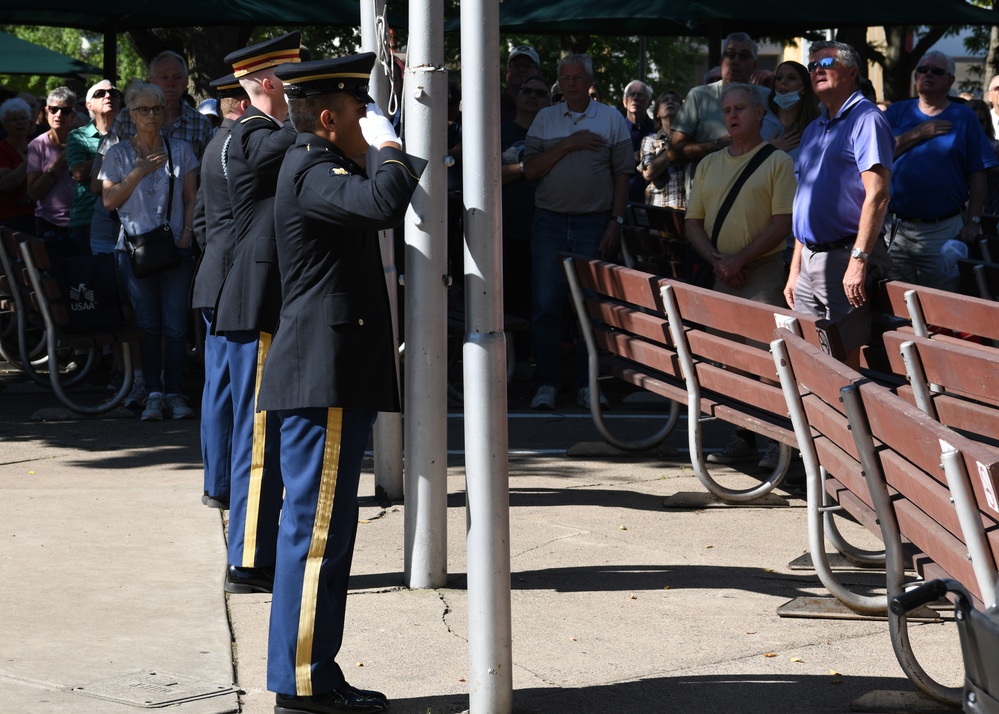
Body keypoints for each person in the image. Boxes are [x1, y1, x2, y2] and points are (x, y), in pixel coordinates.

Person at [258, 53, 426, 714]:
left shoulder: (322, 163)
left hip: (331, 373)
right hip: (321, 376)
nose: (369, 123)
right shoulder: (312, 168)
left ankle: (313, 674)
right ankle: (301, 685)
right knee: (316, 536)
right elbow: (384, 202)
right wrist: (389, 147)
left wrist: (384, 146)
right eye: (360, 111)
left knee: (326, 535)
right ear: (329, 118)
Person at [214, 31, 301, 596]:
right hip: (259, 296)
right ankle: (247, 558)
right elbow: (279, 148)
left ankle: (251, 552)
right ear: (271, 83)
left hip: (259, 295)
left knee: (259, 430)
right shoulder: (254, 134)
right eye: (297, 83)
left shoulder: (261, 132)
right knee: (260, 435)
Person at [685, 84, 796, 468]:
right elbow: (692, 222)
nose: (732, 116)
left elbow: (783, 222)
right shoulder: (709, 163)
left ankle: (778, 440)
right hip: (723, 273)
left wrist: (739, 259)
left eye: (741, 109)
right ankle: (744, 434)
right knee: (731, 359)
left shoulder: (777, 162)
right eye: (727, 109)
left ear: (760, 114)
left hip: (762, 272)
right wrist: (719, 261)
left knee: (768, 360)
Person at [522, 53, 633, 410]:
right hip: (549, 222)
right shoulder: (545, 118)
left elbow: (623, 175)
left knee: (592, 307)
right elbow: (530, 170)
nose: (570, 83)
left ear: (589, 81)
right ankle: (547, 385)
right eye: (564, 77)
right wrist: (569, 144)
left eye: (576, 77)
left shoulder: (612, 118)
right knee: (545, 307)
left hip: (595, 222)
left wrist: (616, 222)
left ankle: (588, 384)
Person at [785, 40, 894, 366]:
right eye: (812, 66)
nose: (816, 70)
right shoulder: (815, 128)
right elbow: (804, 202)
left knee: (842, 364)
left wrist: (859, 260)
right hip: (808, 261)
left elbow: (878, 194)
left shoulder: (866, 119)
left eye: (825, 62)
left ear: (851, 72)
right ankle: (818, 419)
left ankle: (846, 419)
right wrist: (794, 269)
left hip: (845, 256)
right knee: (810, 358)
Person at [100, 83, 199, 421]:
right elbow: (109, 201)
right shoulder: (117, 155)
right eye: (144, 110)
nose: (152, 115)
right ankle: (153, 393)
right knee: (148, 325)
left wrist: (187, 234)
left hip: (174, 248)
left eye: (157, 109)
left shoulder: (181, 149)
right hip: (133, 250)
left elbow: (191, 198)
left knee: (175, 327)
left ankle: (174, 392)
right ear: (131, 114)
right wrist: (138, 172)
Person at [883, 50, 997, 292]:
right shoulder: (897, 112)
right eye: (923, 70)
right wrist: (918, 133)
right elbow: (877, 158)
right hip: (897, 229)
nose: (928, 74)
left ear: (950, 81)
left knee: (942, 305)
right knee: (898, 306)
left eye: (936, 71)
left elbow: (979, 174)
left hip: (943, 229)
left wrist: (973, 222)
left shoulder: (964, 116)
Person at [191, 73, 251, 511]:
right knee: (232, 387)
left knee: (219, 385)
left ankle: (218, 482)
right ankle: (226, 483)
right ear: (244, 104)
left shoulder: (217, 143)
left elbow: (200, 221)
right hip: (232, 279)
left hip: (216, 273)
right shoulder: (238, 145)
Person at [670, 32, 770, 195]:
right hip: (706, 201)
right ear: (721, 60)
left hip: (755, 198)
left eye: (744, 56)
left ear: (754, 64)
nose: (735, 61)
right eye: (730, 55)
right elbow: (674, 153)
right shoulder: (699, 96)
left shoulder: (766, 97)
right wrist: (717, 145)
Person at [501, 74, 551, 374]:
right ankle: (510, 364)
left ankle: (538, 365)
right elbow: (488, 173)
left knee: (541, 301)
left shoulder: (553, 134)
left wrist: (518, 170)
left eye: (540, 93)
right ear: (516, 96)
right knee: (509, 299)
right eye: (526, 90)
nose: (532, 96)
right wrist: (527, 168)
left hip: (546, 228)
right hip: (506, 229)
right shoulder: (501, 131)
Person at [109, 50, 212, 161]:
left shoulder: (201, 124)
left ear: (186, 82)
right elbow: (105, 162)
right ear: (151, 81)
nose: (171, 83)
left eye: (177, 77)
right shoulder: (126, 117)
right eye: (164, 77)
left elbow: (206, 172)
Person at [66, 80, 120, 255]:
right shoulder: (78, 136)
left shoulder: (133, 133)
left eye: (113, 93)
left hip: (125, 218)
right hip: (86, 218)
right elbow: (79, 173)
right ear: (89, 105)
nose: (108, 96)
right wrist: (108, 151)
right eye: (100, 94)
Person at [25, 87, 77, 255]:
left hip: (82, 222)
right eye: (54, 109)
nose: (59, 115)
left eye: (65, 110)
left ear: (73, 114)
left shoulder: (82, 142)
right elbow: (33, 193)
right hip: (49, 224)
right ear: (46, 111)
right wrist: (56, 165)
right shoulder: (37, 145)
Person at [762, 61, 819, 160]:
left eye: (791, 78)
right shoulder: (759, 123)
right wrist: (769, 150)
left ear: (804, 89)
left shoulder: (817, 128)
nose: (783, 82)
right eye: (779, 78)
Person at [640, 90, 685, 210]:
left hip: (689, 211)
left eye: (675, 100)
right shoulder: (650, 140)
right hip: (660, 212)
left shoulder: (692, 138)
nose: (670, 102)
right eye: (665, 100)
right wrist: (674, 150)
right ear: (657, 113)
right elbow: (648, 173)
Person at [0, 97, 36, 233]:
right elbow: (7, 184)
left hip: (38, 216)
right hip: (10, 219)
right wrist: (29, 160)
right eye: (14, 120)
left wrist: (34, 191)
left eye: (23, 118)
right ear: (5, 125)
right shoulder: (2, 149)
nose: (19, 123)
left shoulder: (39, 145)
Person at [621, 79, 654, 201]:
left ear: (649, 102)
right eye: (631, 94)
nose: (635, 98)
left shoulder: (657, 130)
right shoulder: (615, 130)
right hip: (621, 198)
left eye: (640, 95)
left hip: (651, 199)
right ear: (624, 102)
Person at [967, 98, 999, 216]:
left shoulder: (996, 147)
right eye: (973, 121)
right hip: (956, 211)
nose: (977, 126)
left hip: (991, 211)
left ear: (988, 122)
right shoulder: (953, 147)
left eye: (981, 121)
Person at [501, 44, 541, 124]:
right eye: (516, 65)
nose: (521, 69)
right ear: (506, 71)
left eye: (527, 66)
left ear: (539, 72)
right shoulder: (493, 105)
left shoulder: (545, 105)